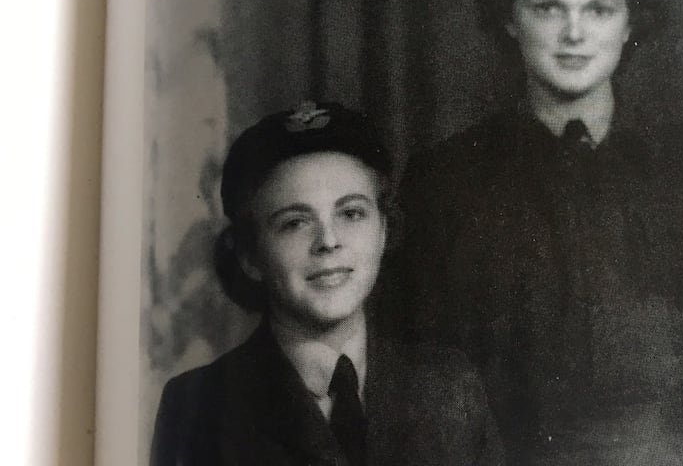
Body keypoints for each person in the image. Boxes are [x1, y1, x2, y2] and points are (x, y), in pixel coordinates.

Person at [387, 0, 683, 464]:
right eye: (548, 8)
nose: (574, 34)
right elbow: (425, 375)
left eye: (600, 10)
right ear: (509, 18)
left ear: (631, 22)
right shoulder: (446, 180)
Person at [151, 101, 504, 466]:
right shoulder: (200, 408)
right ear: (250, 255)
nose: (329, 241)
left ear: (383, 231)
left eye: (351, 213)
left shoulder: (448, 388)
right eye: (295, 223)